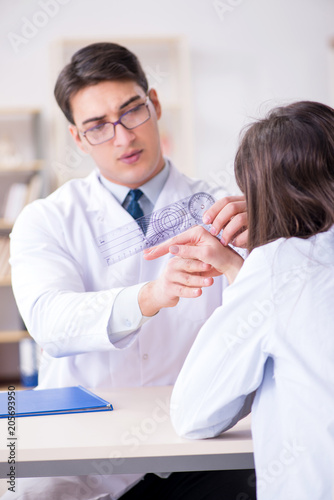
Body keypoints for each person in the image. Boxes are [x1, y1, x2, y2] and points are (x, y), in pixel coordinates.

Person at [4, 42, 254, 500]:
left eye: (132, 111)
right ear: (78, 139)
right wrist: (150, 296)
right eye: (97, 127)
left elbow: (267, 318)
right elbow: (50, 324)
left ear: (154, 105)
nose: (122, 137)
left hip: (201, 445)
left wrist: (251, 258)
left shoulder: (229, 209)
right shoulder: (47, 219)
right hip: (81, 457)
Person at [145, 101, 334, 500]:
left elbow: (193, 415)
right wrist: (238, 267)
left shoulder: (279, 264)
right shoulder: (279, 268)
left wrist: (254, 264)